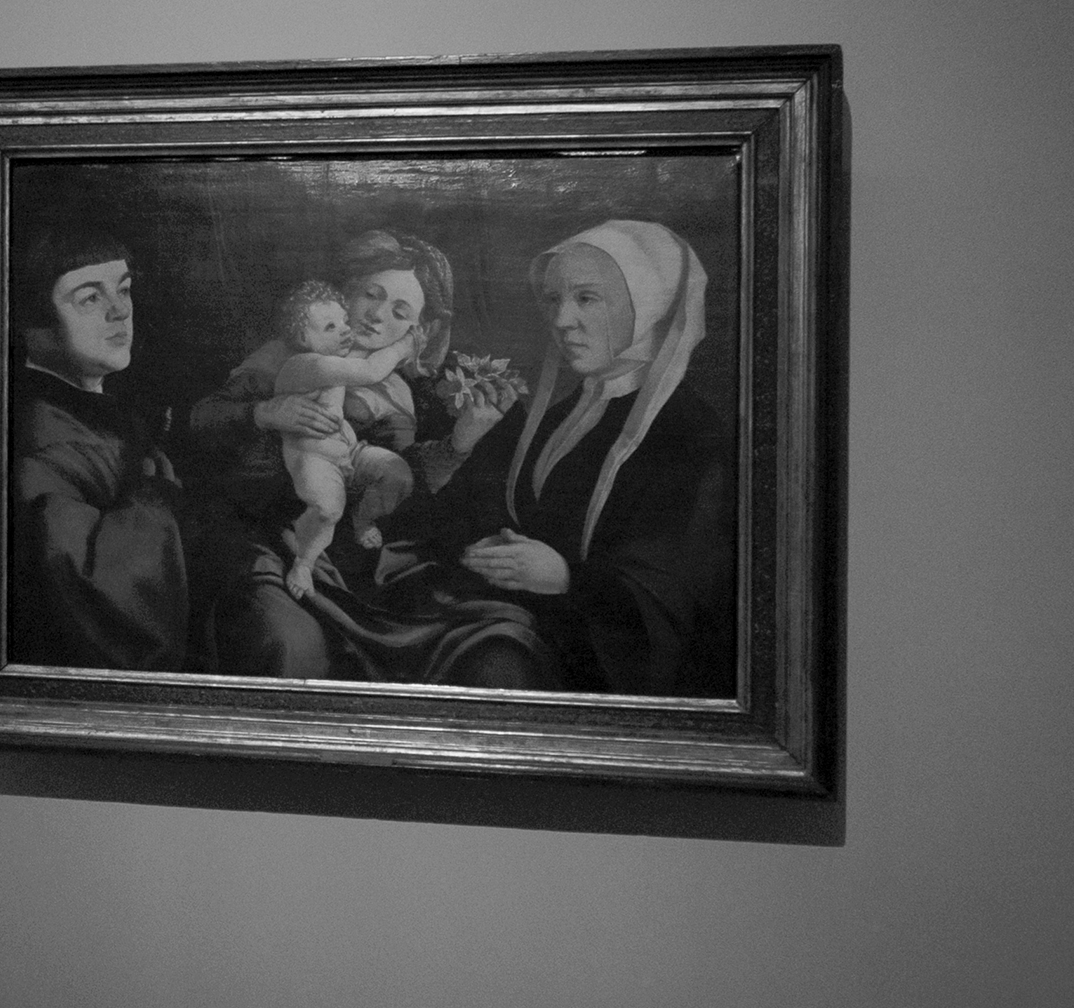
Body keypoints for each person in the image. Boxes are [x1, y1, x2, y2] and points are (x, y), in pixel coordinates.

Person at [181, 230, 541, 684]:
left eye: (399, 311)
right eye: (371, 294)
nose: (376, 315)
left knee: (496, 645)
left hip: (376, 569)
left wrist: (460, 443)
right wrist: (265, 412)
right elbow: (202, 420)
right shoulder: (286, 358)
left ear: (417, 330)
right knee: (288, 644)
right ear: (345, 293)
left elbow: (407, 487)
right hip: (279, 537)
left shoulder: (410, 392)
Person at [407, 219, 734, 696]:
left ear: (646, 305)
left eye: (586, 298)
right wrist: (464, 444)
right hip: (516, 622)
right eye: (553, 300)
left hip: (599, 662)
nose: (561, 321)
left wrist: (563, 577)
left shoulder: (689, 433)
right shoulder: (560, 414)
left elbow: (678, 590)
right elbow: (473, 515)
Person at [5, 227, 188, 670]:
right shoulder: (40, 437)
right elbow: (99, 598)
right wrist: (155, 493)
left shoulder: (105, 413)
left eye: (123, 291)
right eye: (90, 298)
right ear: (36, 323)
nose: (120, 311)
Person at [253, 281, 417, 598]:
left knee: (397, 473)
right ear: (302, 338)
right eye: (330, 326)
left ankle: (363, 520)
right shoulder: (305, 365)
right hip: (314, 461)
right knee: (329, 509)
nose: (344, 330)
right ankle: (304, 562)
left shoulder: (330, 358)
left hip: (349, 452)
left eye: (344, 320)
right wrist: (402, 347)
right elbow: (369, 371)